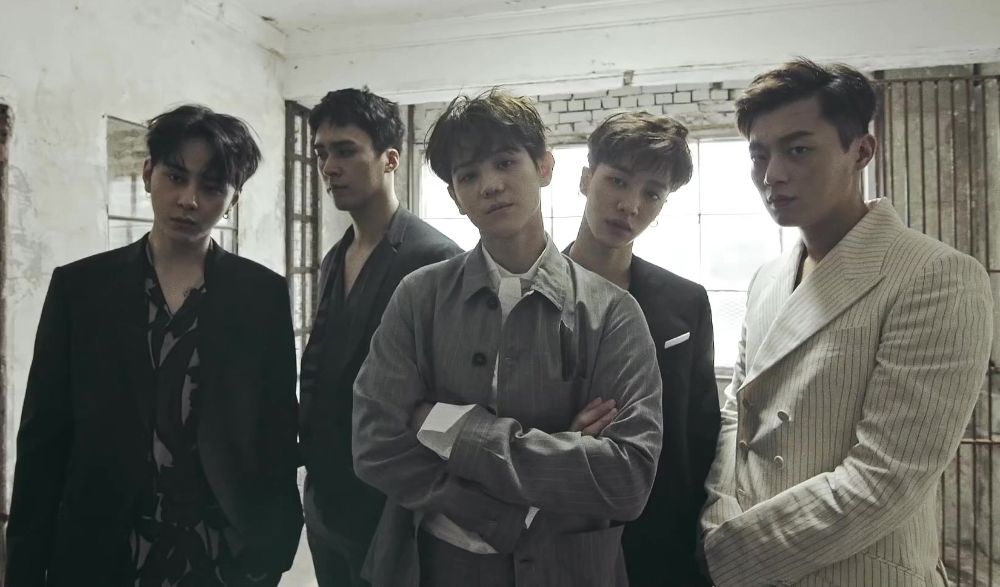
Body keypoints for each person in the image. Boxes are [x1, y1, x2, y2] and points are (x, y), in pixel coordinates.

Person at [699, 58, 994, 586]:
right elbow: (736, 416)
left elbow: (886, 479)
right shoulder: (767, 279)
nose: (772, 175)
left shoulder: (935, 275)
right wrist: (716, 519)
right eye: (759, 155)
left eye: (798, 150)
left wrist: (732, 553)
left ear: (861, 151)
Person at [351, 89, 663, 587]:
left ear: (544, 166)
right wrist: (551, 460)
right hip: (438, 565)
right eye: (468, 175)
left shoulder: (612, 313)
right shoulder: (420, 297)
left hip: (569, 568)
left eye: (505, 162)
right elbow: (374, 442)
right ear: (455, 197)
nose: (491, 185)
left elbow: (627, 478)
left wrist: (451, 429)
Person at [6, 104, 303, 585]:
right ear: (148, 174)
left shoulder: (261, 294)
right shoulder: (81, 289)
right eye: (175, 177)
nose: (189, 200)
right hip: (103, 547)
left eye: (212, 187)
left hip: (218, 551)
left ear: (234, 199)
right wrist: (23, 565)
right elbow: (44, 436)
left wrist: (275, 544)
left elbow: (275, 428)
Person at [299, 88, 462, 587]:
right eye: (322, 153)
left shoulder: (435, 258)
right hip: (326, 497)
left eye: (346, 151)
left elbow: (449, 393)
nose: (329, 167)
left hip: (392, 503)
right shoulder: (335, 257)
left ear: (390, 159)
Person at [567, 111, 719, 586]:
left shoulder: (685, 302)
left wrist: (704, 533)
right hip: (558, 526)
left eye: (652, 193)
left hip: (662, 539)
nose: (629, 205)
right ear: (586, 179)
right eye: (617, 181)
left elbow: (700, 431)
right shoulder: (527, 291)